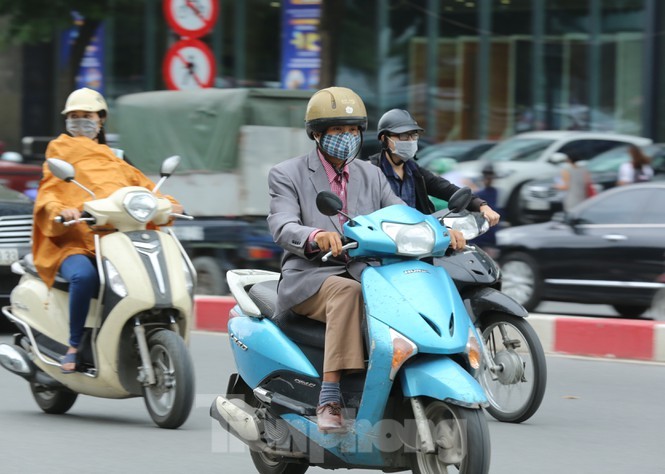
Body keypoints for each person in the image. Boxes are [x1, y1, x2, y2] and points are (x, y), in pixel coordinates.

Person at [267, 87, 467, 433]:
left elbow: (403, 214)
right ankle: (329, 397)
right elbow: (282, 224)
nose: (347, 138)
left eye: (353, 130)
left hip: (366, 271)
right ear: (317, 134)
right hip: (312, 276)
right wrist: (315, 236)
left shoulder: (370, 174)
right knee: (347, 294)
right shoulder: (288, 173)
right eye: (337, 131)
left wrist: (441, 231)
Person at [33, 87, 184, 374]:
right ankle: (75, 344)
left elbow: (144, 187)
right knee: (83, 276)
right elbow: (49, 192)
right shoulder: (59, 152)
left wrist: (169, 203)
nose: (80, 122)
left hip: (118, 238)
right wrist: (60, 210)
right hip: (75, 241)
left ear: (100, 120)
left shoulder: (114, 158)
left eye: (86, 116)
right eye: (74, 117)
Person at [369, 109, 500, 226]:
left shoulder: (415, 172)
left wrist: (481, 205)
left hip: (417, 240)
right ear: (384, 138)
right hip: (382, 242)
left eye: (414, 135)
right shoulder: (370, 171)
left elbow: (447, 189)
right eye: (403, 136)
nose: (410, 141)